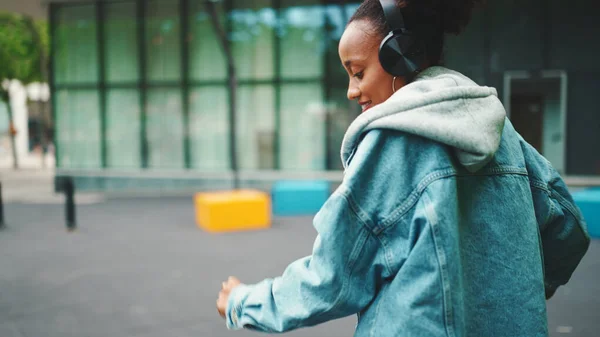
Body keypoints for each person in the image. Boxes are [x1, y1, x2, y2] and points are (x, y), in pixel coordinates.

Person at [216, 0, 590, 335]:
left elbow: (331, 278)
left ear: (400, 56)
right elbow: (568, 229)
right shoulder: (502, 132)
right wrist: (507, 296)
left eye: (358, 72)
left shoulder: (392, 142)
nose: (351, 90)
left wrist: (243, 302)